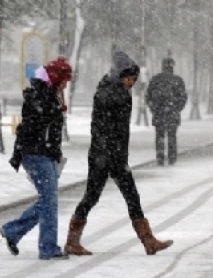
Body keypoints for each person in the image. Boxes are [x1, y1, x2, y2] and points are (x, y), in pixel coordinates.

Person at [64, 51, 173, 256]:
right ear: (120, 75)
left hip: (112, 154)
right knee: (96, 196)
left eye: (133, 79)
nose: (132, 82)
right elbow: (102, 128)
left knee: (124, 195)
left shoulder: (116, 91)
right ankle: (72, 241)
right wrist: (110, 154)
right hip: (105, 156)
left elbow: (117, 129)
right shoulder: (109, 94)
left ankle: (148, 241)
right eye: (129, 78)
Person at [1, 56, 72, 260]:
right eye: (64, 81)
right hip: (36, 154)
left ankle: (13, 231)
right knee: (49, 201)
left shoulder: (50, 96)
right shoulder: (40, 96)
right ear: (56, 79)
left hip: (45, 154)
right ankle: (48, 248)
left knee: (47, 201)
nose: (66, 85)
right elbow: (32, 127)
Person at [146, 57, 187, 166]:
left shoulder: (155, 80)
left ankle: (160, 157)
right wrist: (177, 108)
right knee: (172, 135)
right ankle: (172, 157)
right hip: (172, 113)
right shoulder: (178, 80)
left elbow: (148, 97)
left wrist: (153, 109)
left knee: (159, 135)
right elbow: (183, 97)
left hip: (159, 113)